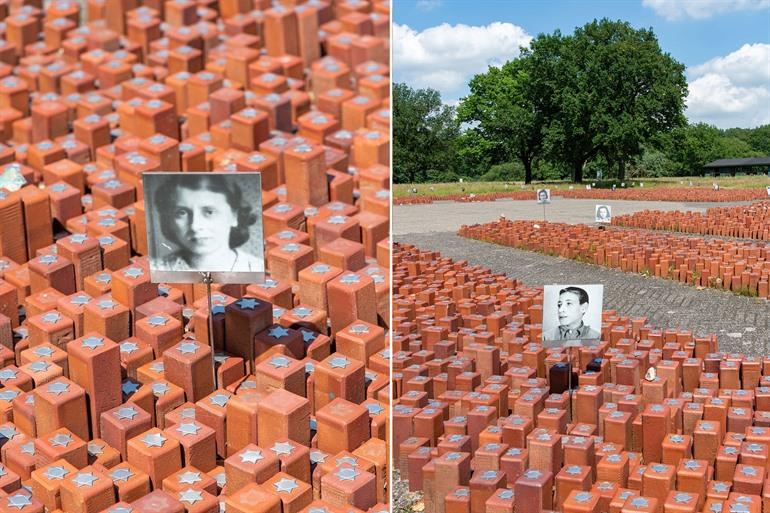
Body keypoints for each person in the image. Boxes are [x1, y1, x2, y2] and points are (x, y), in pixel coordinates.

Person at [153, 174, 261, 272]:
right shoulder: (154, 270)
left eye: (209, 212)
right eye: (182, 213)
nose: (195, 226)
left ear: (234, 217)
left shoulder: (258, 268)